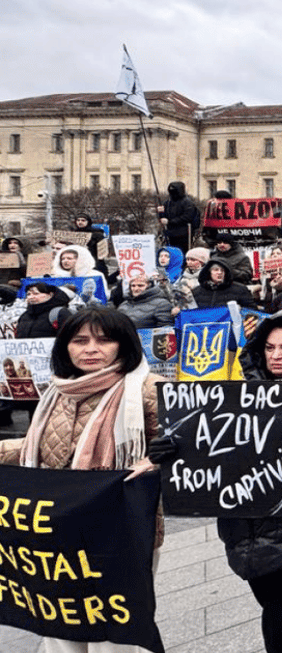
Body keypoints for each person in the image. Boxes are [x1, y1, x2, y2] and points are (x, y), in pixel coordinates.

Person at [0, 307, 165, 652]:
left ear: (124, 345)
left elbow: (181, 449)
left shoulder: (149, 389)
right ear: (66, 347)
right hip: (59, 531)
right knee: (60, 620)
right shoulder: (56, 391)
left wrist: (154, 461)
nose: (91, 349)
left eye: (104, 340)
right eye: (80, 340)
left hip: (121, 532)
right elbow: (42, 447)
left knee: (114, 630)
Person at [217, 307, 282, 653]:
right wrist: (178, 446)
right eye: (270, 347)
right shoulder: (241, 397)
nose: (277, 356)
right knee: (281, 623)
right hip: (252, 540)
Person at [192, 257, 257, 309]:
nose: (219, 272)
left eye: (222, 270)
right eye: (216, 270)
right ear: (209, 272)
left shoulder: (240, 290)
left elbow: (252, 312)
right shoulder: (197, 292)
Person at [159, 180, 199, 253]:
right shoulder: (168, 202)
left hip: (184, 234)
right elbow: (163, 218)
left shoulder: (187, 202)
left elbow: (187, 217)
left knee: (182, 252)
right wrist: (161, 213)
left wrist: (170, 222)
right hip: (170, 233)